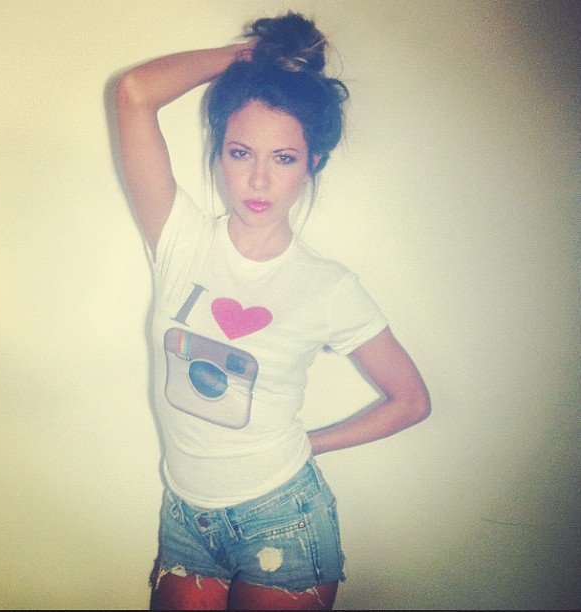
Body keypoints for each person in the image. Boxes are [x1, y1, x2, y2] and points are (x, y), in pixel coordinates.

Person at [116, 12, 430, 611]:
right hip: (185, 516)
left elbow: (410, 401)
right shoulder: (180, 242)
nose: (258, 179)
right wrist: (246, 58)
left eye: (283, 158)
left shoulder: (328, 287)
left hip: (282, 517)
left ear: (312, 163)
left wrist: (309, 443)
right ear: (218, 155)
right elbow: (134, 94)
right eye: (240, 153)